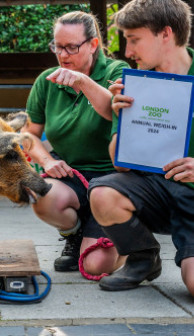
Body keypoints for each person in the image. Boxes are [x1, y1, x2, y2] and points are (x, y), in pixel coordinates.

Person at [89, 0, 194, 297]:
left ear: (165, 34)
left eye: (134, 40)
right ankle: (142, 258)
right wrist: (124, 119)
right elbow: (120, 165)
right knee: (102, 193)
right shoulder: (132, 84)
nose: (128, 52)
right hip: (157, 189)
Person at [21, 11, 129, 275]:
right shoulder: (47, 80)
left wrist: (84, 82)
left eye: (71, 47)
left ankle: (133, 242)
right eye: (58, 47)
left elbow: (114, 109)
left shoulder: (119, 72)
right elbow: (28, 134)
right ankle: (76, 234)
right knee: (40, 192)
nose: (63, 55)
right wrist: (47, 160)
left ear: (93, 45)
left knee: (96, 268)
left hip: (113, 180)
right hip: (73, 175)